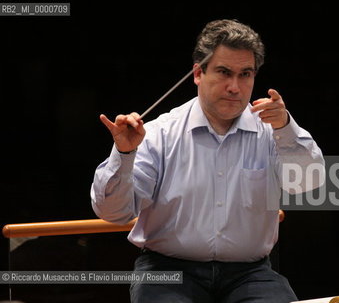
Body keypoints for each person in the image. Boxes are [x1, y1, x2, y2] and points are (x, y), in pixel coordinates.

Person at [91, 19, 324, 303]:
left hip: (250, 273)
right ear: (198, 73)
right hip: (168, 270)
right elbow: (113, 213)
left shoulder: (274, 132)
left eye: (245, 74)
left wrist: (287, 128)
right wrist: (124, 154)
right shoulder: (158, 134)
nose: (235, 87)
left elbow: (308, 183)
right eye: (224, 72)